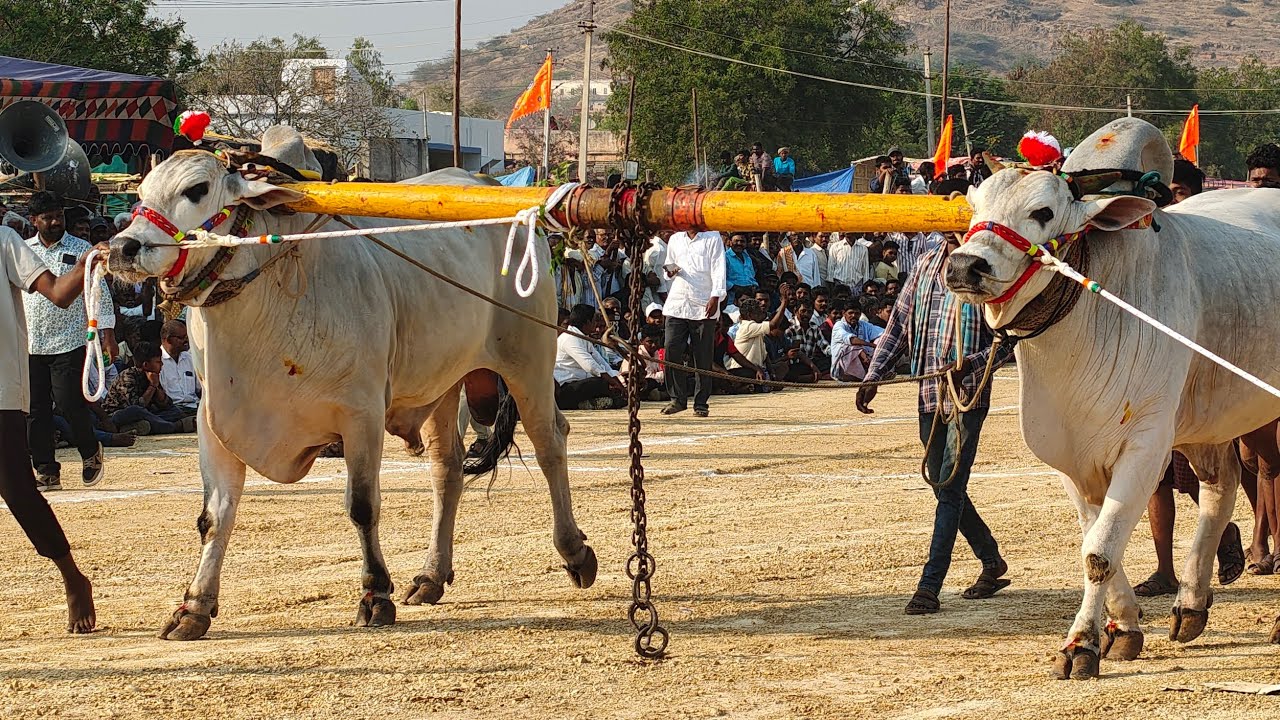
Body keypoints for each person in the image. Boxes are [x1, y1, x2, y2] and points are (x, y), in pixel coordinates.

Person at [856, 233, 1016, 615]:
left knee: (948, 484)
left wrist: (972, 366)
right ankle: (990, 560)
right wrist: (874, 375)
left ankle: (929, 586)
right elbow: (898, 324)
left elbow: (1008, 337)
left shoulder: (987, 267)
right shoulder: (926, 265)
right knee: (943, 481)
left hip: (967, 396)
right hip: (929, 391)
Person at [2, 221, 104, 633]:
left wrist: (88, 263)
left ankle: (73, 578)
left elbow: (59, 294)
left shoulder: (5, 240)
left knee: (17, 490)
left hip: (2, 388)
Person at [23, 191, 116, 491]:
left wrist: (107, 333)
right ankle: (46, 470)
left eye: (59, 216)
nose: (55, 222)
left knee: (68, 403)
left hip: (70, 340)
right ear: (33, 220)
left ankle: (90, 452)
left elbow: (99, 293)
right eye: (48, 217)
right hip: (31, 341)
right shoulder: (23, 251)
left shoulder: (82, 250)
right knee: (35, 410)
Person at [661, 229, 726, 417]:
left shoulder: (712, 237)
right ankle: (677, 398)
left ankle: (701, 402)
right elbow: (668, 267)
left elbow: (718, 268)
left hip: (703, 302)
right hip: (678, 302)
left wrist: (716, 297)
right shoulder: (675, 239)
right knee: (671, 348)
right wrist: (670, 270)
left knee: (702, 355)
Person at [101, 341, 198, 435]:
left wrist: (156, 386)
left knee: (175, 412)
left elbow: (167, 404)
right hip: (117, 415)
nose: (162, 365)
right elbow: (135, 406)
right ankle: (174, 427)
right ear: (146, 365)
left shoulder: (153, 376)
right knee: (136, 411)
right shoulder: (128, 376)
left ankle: (136, 427)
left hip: (146, 415)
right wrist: (152, 386)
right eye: (158, 362)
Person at [553, 304, 625, 410]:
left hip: (582, 383)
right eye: (594, 321)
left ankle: (590, 403)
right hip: (567, 388)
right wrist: (614, 382)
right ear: (587, 322)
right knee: (601, 383)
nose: (596, 325)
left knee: (614, 382)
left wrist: (618, 380)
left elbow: (601, 363)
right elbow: (591, 366)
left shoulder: (584, 339)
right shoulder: (569, 338)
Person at [830, 301, 883, 381]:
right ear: (844, 313)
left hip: (865, 359)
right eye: (850, 313)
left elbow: (883, 332)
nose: (854, 316)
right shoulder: (839, 325)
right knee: (850, 347)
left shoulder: (863, 324)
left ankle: (875, 372)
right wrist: (872, 346)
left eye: (857, 313)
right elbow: (851, 340)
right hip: (842, 367)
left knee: (881, 340)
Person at [159, 320, 201, 415]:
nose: (186, 341)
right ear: (169, 339)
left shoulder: (190, 358)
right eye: (182, 338)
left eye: (187, 337)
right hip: (172, 409)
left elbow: (200, 389)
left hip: (194, 407)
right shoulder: (157, 360)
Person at [724, 233, 757, 300]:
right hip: (732, 300)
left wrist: (754, 286)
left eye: (742, 241)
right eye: (736, 241)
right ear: (730, 242)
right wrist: (737, 288)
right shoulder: (725, 257)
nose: (739, 243)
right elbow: (721, 280)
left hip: (749, 298)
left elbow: (752, 277)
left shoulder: (748, 258)